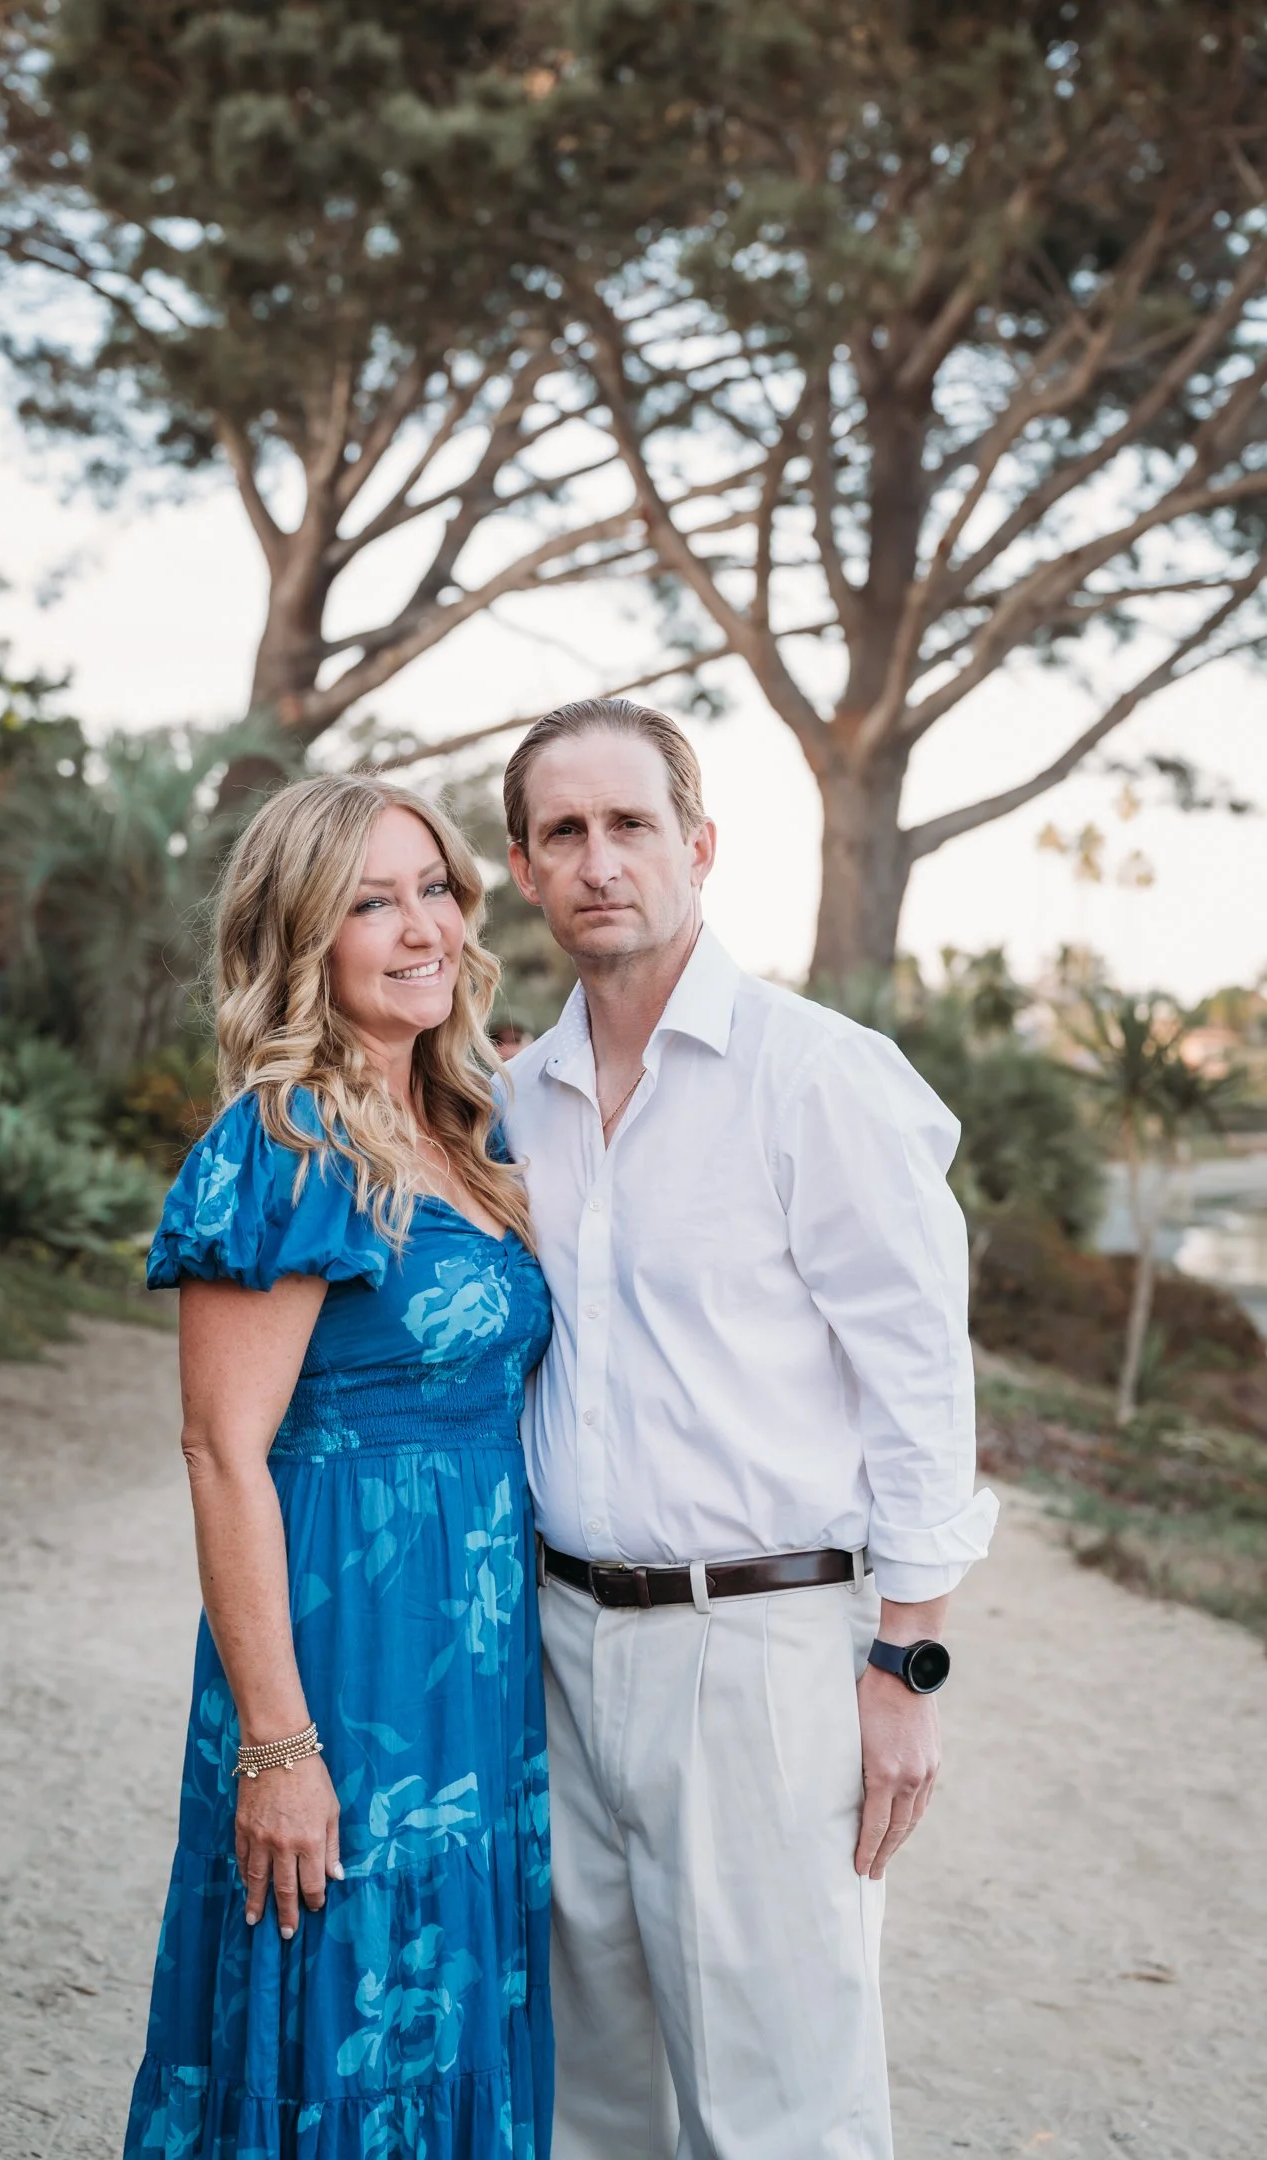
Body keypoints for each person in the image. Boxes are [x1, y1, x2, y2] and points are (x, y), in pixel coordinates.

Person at [498, 697, 999, 2160]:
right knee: (594, 2099)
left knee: (781, 2104)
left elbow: (923, 1384)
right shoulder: (514, 1098)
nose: (601, 861)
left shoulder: (817, 1076)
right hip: (562, 1648)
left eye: (631, 825)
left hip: (764, 1649)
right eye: (564, 832)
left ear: (699, 847)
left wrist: (908, 1660)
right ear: (524, 870)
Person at [123, 775, 554, 2160]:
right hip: (342, 1674)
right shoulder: (286, 1142)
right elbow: (221, 1452)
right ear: (302, 936)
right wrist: (279, 1746)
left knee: (446, 2009)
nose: (421, 926)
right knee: (330, 2005)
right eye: (371, 901)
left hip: (474, 1677)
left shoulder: (475, 1135)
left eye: (433, 888)